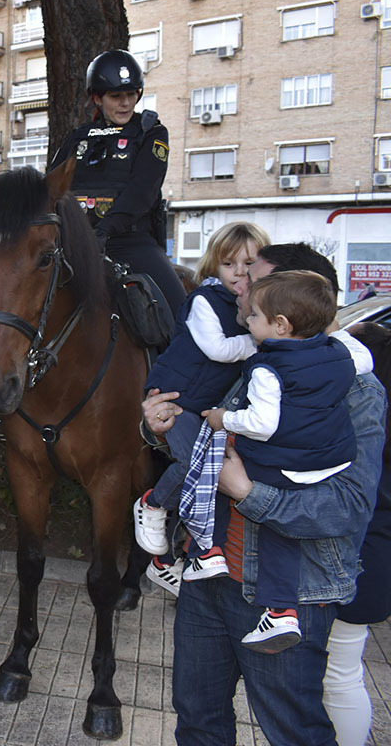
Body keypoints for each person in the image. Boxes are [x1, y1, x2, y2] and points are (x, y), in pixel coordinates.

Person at [140, 243, 386, 746]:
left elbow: (348, 507)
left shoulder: (355, 392)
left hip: (286, 595)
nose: (242, 293)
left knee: (292, 729)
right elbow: (213, 445)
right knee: (197, 719)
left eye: (256, 286)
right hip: (206, 582)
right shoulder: (258, 362)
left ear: (289, 316)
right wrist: (162, 428)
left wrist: (249, 494)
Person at [201, 270, 369, 652]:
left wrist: (222, 420)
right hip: (329, 461)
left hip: (284, 471)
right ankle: (275, 607)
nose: (245, 317)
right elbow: (363, 359)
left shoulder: (267, 368)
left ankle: (208, 555)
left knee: (220, 473)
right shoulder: (338, 354)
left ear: (281, 324)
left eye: (255, 314)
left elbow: (261, 424)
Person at [133, 222, 269, 592]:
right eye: (229, 264)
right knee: (192, 463)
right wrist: (262, 342)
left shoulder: (255, 305)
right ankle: (152, 503)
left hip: (202, 403)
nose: (240, 272)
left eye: (249, 263)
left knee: (205, 479)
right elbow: (219, 350)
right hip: (176, 396)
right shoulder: (205, 302)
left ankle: (166, 561)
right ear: (213, 265)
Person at [50, 49, 186, 314]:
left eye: (131, 94)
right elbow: (52, 187)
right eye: (116, 96)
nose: (125, 103)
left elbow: (143, 191)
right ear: (97, 98)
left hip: (132, 243)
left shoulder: (152, 132)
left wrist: (105, 230)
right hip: (76, 244)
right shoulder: (77, 137)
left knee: (182, 312)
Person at [323, 322, 390, 746]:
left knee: (335, 675)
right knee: (344, 673)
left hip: (356, 547)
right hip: (378, 548)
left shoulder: (362, 380)